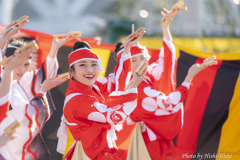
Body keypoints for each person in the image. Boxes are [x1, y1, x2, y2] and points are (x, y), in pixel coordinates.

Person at [115, 8, 217, 160]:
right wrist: (189, 77)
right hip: (149, 144)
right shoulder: (135, 86)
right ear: (125, 64)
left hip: (157, 140)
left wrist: (165, 28)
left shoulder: (145, 77)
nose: (139, 63)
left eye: (142, 58)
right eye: (132, 60)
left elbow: (167, 62)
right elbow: (169, 104)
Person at [59, 32, 146, 160]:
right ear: (71, 72)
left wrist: (126, 48)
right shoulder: (78, 100)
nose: (90, 70)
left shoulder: (95, 87)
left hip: (100, 149)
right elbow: (113, 117)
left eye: (93, 64)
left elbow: (117, 82)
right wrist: (133, 87)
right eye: (82, 65)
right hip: (91, 153)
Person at [0, 22, 74, 159]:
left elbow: (43, 76)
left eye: (26, 64)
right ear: (5, 60)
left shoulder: (21, 81)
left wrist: (54, 48)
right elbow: (27, 116)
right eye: (17, 63)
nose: (22, 69)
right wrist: (43, 91)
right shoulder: (5, 82)